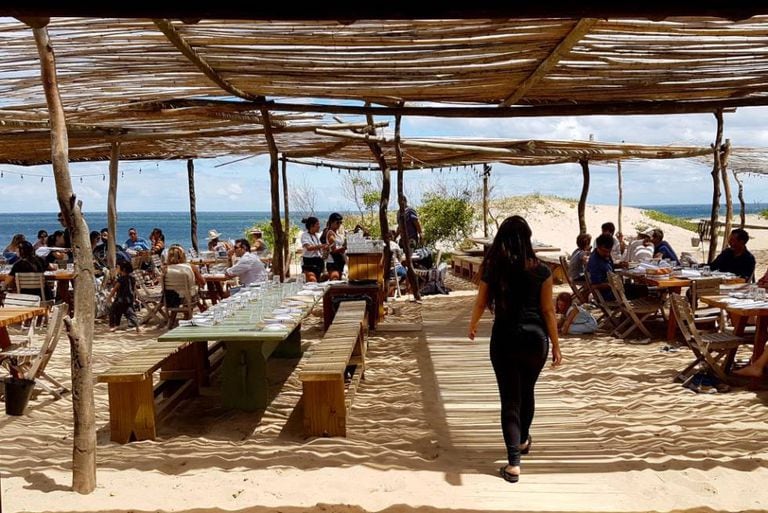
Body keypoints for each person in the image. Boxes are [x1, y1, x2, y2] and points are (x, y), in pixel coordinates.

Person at [467, 215, 562, 484]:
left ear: (502, 240)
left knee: (510, 399)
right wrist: (556, 345)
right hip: (535, 340)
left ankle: (513, 463)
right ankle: (521, 441)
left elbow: (480, 302)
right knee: (527, 391)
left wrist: (473, 325)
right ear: (528, 239)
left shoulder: (494, 269)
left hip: (505, 339)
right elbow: (548, 311)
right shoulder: (542, 271)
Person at [164, 246, 207, 310]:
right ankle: (201, 308)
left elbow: (163, 285)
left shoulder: (165, 269)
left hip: (171, 299)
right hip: (189, 299)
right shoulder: (191, 267)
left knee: (186, 292)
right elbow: (203, 282)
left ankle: (175, 315)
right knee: (194, 291)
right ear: (183, 256)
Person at [107, 261, 142, 333]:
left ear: (123, 269)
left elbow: (115, 289)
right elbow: (133, 289)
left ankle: (113, 326)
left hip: (120, 299)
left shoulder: (121, 279)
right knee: (130, 313)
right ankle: (137, 326)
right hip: (129, 299)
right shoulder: (132, 278)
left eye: (118, 267)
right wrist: (135, 298)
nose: (117, 269)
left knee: (113, 311)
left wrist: (109, 297)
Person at [300, 216, 327, 282]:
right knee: (313, 280)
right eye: (317, 224)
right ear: (312, 226)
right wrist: (321, 246)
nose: (319, 226)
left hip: (318, 263)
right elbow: (308, 248)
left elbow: (320, 251)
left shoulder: (316, 236)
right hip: (309, 263)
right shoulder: (305, 235)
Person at [321, 212, 347, 280]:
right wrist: (344, 248)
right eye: (337, 223)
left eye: (340, 222)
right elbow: (334, 251)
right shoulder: (330, 234)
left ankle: (325, 277)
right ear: (331, 222)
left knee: (338, 281)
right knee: (335, 281)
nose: (339, 224)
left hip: (339, 261)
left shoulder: (336, 233)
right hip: (333, 262)